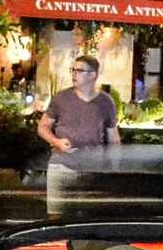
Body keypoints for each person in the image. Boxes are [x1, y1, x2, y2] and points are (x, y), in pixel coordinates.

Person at [39, 53, 120, 205]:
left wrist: (114, 167)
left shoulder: (105, 102)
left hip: (92, 171)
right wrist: (57, 142)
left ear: (93, 75)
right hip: (61, 168)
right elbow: (43, 126)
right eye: (73, 70)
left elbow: (113, 137)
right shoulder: (61, 98)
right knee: (57, 219)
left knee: (86, 220)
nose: (74, 75)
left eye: (79, 71)